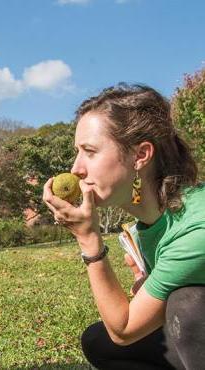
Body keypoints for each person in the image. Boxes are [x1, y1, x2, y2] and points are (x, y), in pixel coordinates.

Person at [43, 83, 205, 369]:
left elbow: (125, 329)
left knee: (188, 306)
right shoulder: (149, 222)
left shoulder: (196, 228)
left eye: (90, 151)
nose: (76, 168)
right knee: (98, 341)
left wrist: (89, 238)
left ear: (140, 155)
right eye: (77, 152)